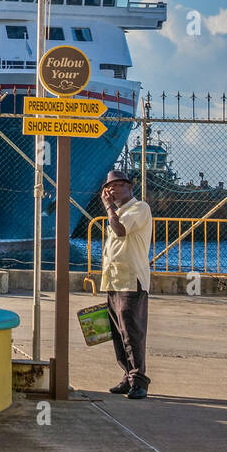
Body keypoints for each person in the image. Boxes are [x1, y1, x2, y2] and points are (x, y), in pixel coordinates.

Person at [99, 169, 153, 399]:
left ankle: (139, 381)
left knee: (132, 334)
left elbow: (120, 231)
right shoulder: (119, 212)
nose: (111, 189)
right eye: (108, 186)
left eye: (117, 185)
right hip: (114, 281)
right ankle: (127, 377)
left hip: (132, 281)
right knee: (119, 333)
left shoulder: (139, 208)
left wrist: (109, 207)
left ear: (130, 188)